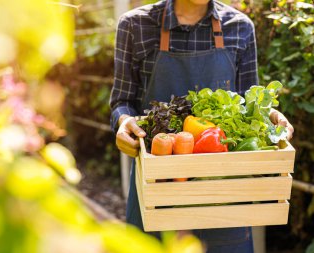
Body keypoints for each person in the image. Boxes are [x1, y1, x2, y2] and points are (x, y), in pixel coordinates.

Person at [109, 0, 294, 252]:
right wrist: (123, 122)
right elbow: (122, 101)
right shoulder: (135, 25)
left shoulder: (240, 27)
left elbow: (247, 103)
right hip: (157, 190)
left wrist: (269, 114)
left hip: (223, 195)